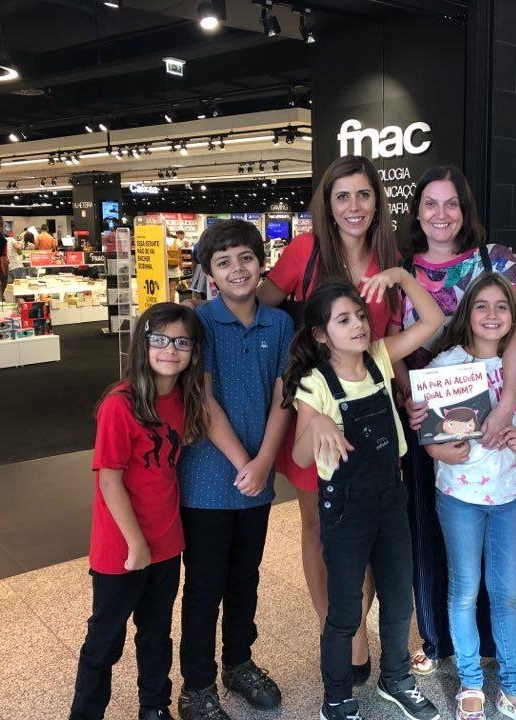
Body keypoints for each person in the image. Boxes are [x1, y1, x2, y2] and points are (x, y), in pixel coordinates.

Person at [396, 165, 516, 683]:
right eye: (431, 203)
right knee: (432, 533)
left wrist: (506, 408)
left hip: (498, 422)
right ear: (417, 211)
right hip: (432, 420)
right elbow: (394, 345)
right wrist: (409, 399)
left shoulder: (496, 259)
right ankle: (439, 642)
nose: (441, 214)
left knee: (506, 550)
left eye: (452, 203)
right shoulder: (403, 268)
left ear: (465, 210)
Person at [258, 155, 400, 680]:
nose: (353, 206)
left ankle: (354, 622)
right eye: (342, 196)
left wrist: (408, 396)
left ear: (376, 201)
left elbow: (392, 342)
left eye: (363, 194)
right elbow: (263, 308)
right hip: (315, 407)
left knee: (364, 526)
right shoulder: (305, 251)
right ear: (328, 204)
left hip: (369, 414)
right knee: (318, 524)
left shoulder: (390, 259)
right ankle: (337, 631)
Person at [283, 270, 443, 720]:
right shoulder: (314, 384)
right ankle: (336, 698)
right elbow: (298, 455)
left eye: (359, 316)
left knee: (399, 599)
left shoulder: (379, 358)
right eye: (343, 320)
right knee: (344, 610)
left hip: (391, 496)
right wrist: (317, 423)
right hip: (344, 508)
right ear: (321, 335)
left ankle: (396, 677)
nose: (358, 325)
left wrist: (402, 277)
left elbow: (432, 320)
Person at [177, 220, 293, 720]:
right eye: (223, 262)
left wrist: (264, 461)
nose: (237, 269)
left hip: (257, 479)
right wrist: (245, 462)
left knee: (245, 577)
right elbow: (201, 399)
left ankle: (239, 662)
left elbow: (284, 395)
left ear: (261, 263)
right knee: (204, 584)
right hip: (205, 480)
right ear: (210, 274)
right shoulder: (197, 323)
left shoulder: (280, 324)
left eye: (245, 257)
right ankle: (196, 685)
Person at [69, 302, 207, 720]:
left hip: (166, 541)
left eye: (181, 342)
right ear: (142, 344)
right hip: (121, 548)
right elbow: (109, 480)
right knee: (105, 640)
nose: (170, 350)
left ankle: (155, 707)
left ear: (193, 351)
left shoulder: (184, 399)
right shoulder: (120, 403)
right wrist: (136, 543)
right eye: (160, 339)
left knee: (156, 633)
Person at [425, 273, 516, 720]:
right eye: (482, 306)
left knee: (507, 594)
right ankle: (471, 683)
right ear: (467, 313)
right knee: (463, 591)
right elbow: (430, 436)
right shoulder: (447, 365)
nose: (492, 315)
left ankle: (513, 689)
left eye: (502, 307)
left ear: (513, 316)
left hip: (509, 497)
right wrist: (441, 450)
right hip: (458, 497)